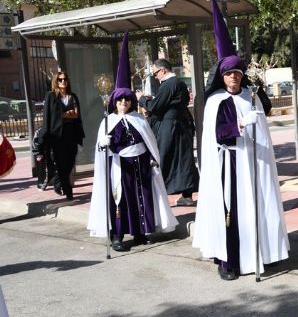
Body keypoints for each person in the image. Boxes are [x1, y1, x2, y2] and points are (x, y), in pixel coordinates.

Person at [192, 0, 289, 280]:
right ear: (222, 77)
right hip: (230, 165)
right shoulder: (216, 102)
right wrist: (240, 125)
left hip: (254, 163)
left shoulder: (252, 95)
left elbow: (266, 114)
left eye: (237, 73)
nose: (233, 78)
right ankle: (229, 261)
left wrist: (258, 103)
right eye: (229, 74)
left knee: (256, 206)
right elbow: (219, 135)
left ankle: (261, 253)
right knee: (231, 211)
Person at [88, 31, 177, 251]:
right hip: (120, 166)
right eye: (120, 100)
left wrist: (153, 161)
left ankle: (140, 232)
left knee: (141, 197)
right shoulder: (108, 121)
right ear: (114, 102)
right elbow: (101, 149)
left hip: (140, 165)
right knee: (120, 200)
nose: (124, 103)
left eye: (127, 100)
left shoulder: (139, 119)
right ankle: (117, 235)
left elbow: (149, 142)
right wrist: (104, 144)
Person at [136, 59, 199, 206]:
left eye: (156, 73)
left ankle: (159, 196)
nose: (155, 76)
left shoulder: (169, 84)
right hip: (180, 127)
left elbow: (155, 107)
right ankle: (187, 195)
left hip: (170, 128)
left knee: (163, 159)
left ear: (163, 71)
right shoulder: (177, 83)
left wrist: (142, 100)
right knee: (183, 160)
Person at [39, 71, 84, 199]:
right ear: (56, 81)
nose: (63, 81)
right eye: (60, 79)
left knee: (70, 162)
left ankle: (57, 181)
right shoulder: (51, 96)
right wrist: (64, 115)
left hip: (71, 134)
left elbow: (77, 114)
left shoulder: (72, 96)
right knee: (60, 163)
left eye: (65, 79)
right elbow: (47, 117)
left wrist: (70, 115)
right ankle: (68, 192)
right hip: (57, 136)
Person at [32, 126, 55, 190]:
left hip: (52, 151)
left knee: (52, 167)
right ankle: (41, 183)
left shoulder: (55, 128)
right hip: (42, 151)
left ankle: (51, 181)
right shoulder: (40, 130)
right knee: (42, 168)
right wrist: (38, 154)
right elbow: (35, 142)